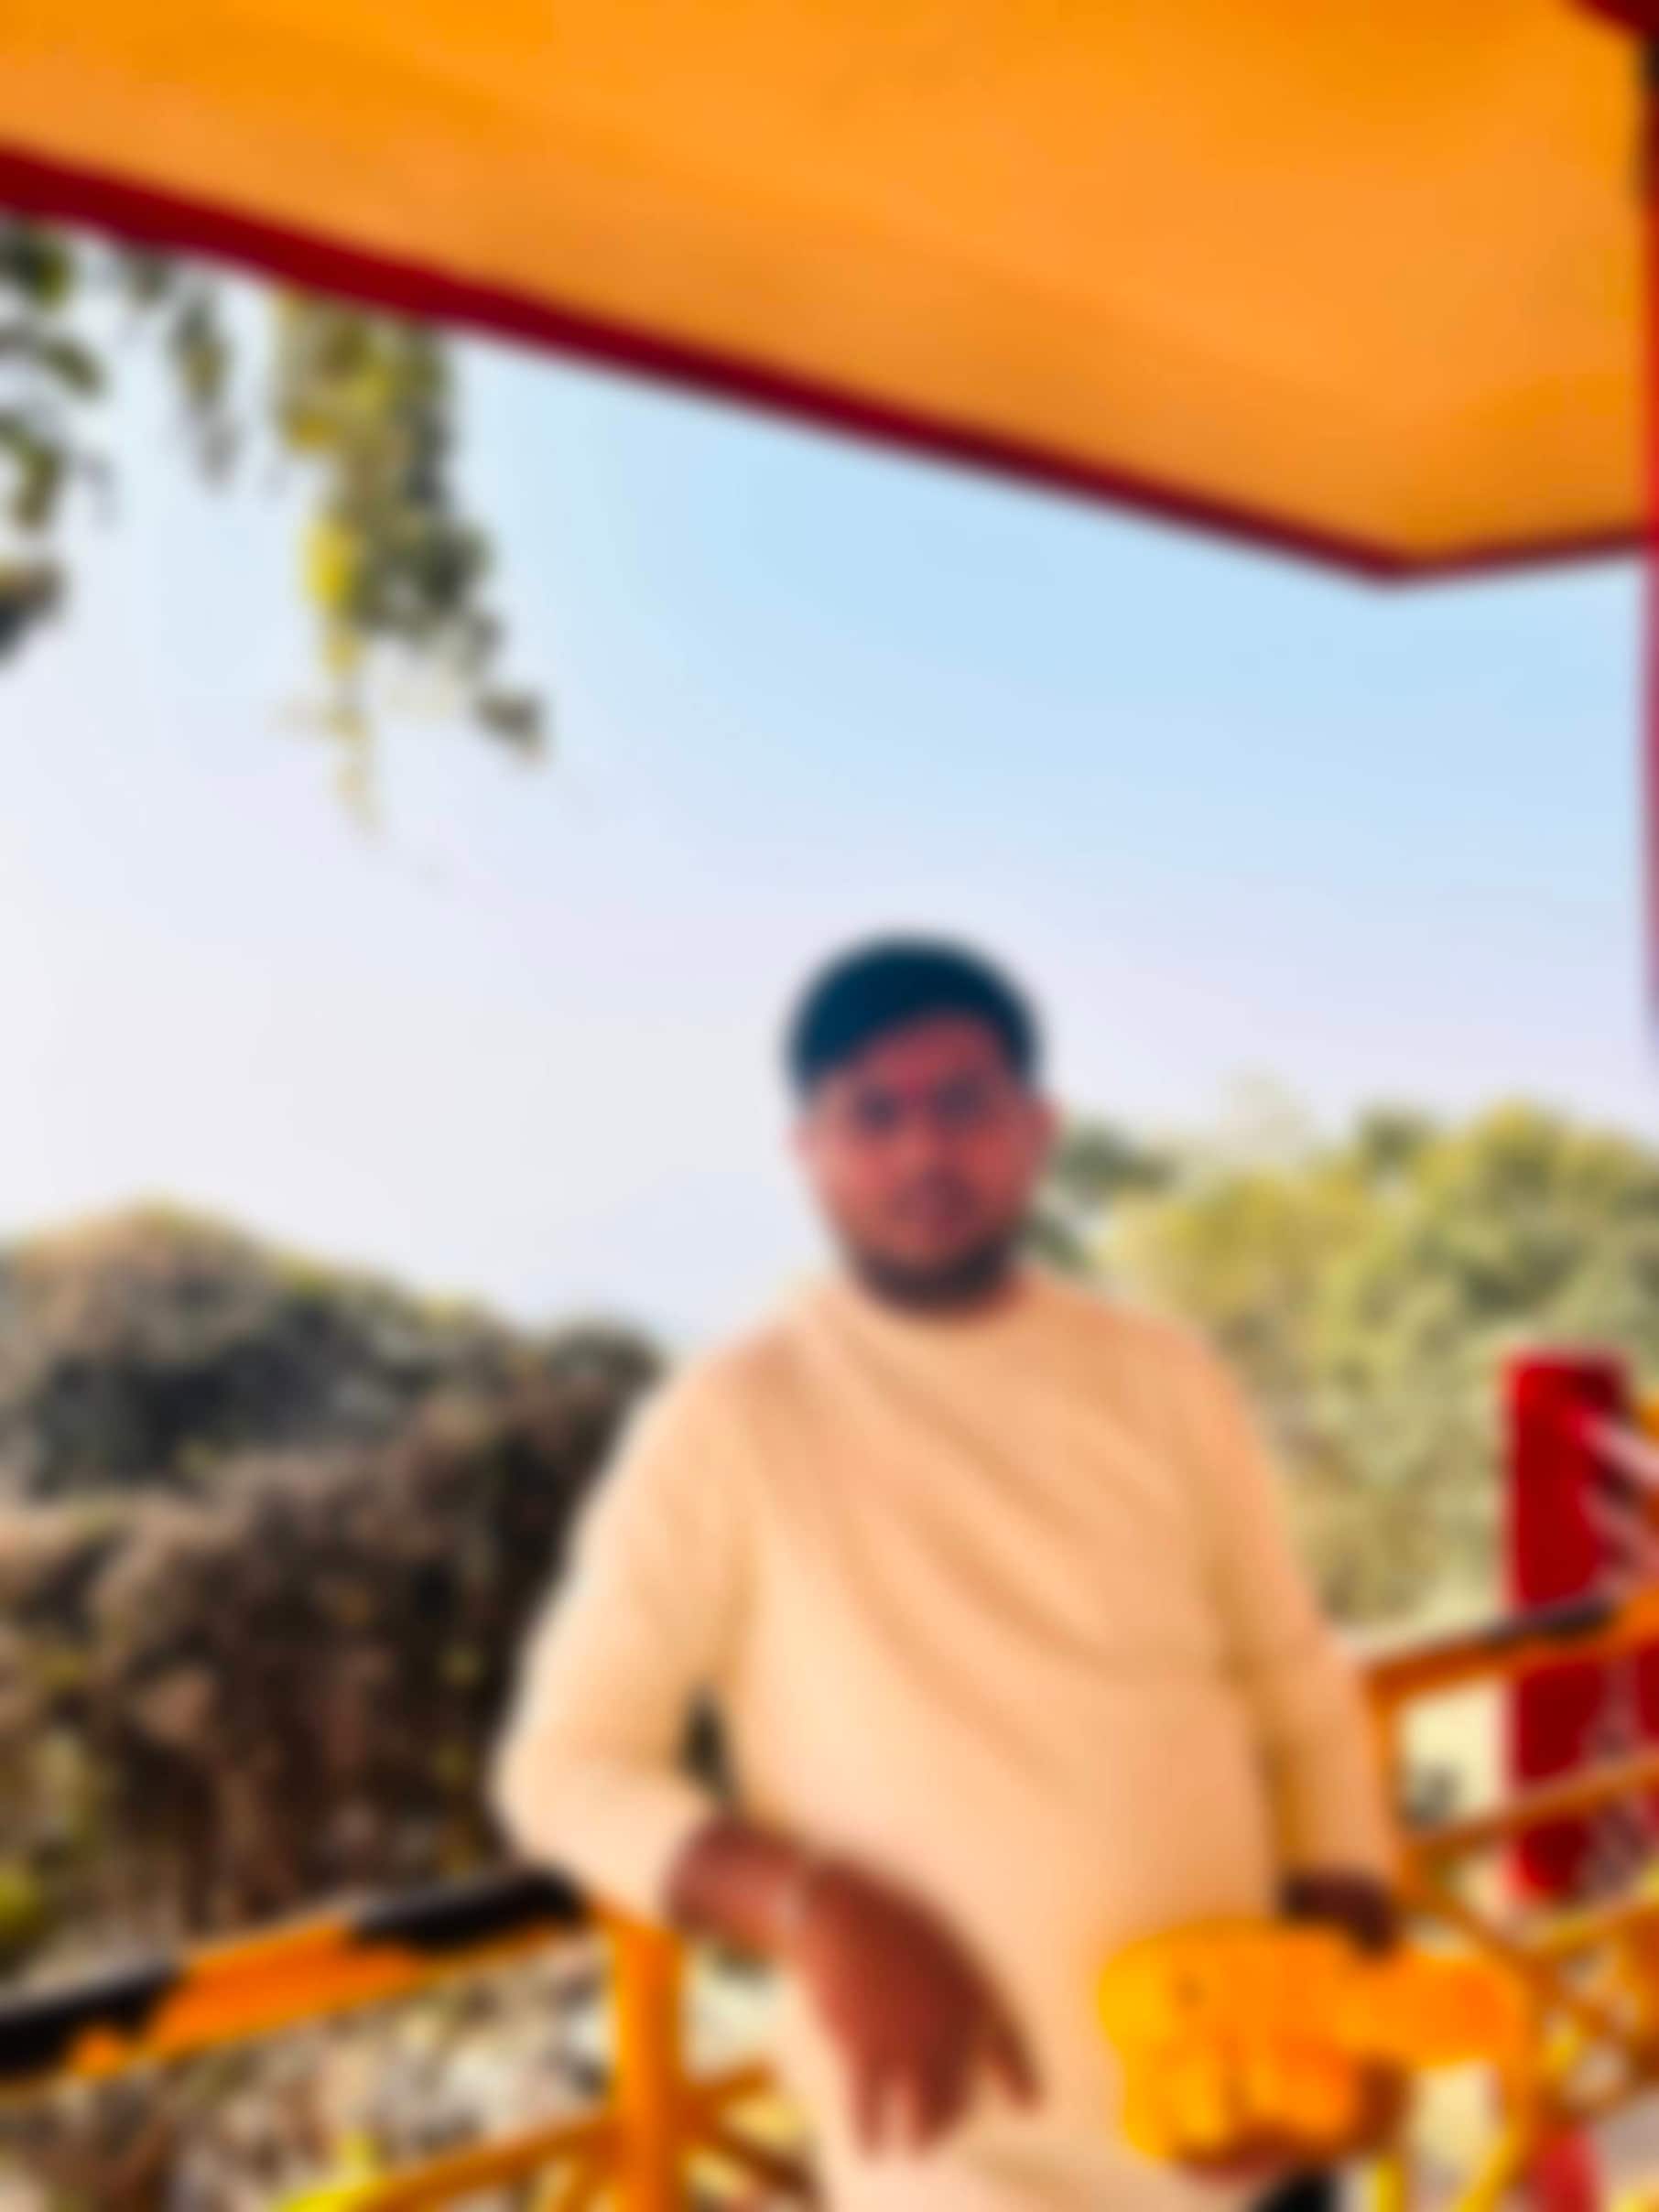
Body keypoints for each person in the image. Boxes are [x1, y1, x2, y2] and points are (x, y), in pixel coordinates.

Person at [489, 936, 1401, 2211]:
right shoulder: (731, 1422)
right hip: (961, 2171)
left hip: (1247, 2132)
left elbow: (1299, 1702)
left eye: (964, 1104)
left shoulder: (1164, 1381)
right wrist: (814, 1908)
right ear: (809, 1151)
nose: (923, 1151)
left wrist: (1350, 1991)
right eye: (872, 1114)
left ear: (1037, 1130)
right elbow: (564, 1769)